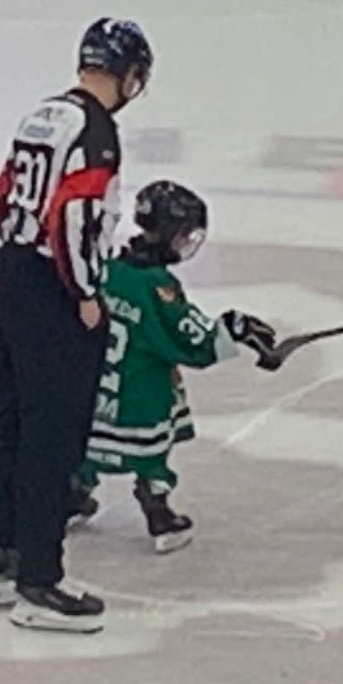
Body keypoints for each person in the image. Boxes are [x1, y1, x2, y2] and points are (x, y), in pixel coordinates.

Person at [0, 18, 153, 631]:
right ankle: (40, 581)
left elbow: (1, 198)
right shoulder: (96, 131)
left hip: (9, 269)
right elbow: (75, 212)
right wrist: (83, 291)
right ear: (129, 73)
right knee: (52, 435)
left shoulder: (42, 115)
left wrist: (22, 252)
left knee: (6, 422)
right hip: (53, 286)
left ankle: (0, 558)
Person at [69, 182, 277, 552]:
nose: (186, 243)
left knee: (86, 445)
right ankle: (159, 516)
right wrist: (237, 328)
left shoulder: (107, 270)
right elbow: (195, 341)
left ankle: (71, 497)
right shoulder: (158, 287)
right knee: (150, 458)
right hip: (140, 395)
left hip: (95, 391)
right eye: (183, 235)